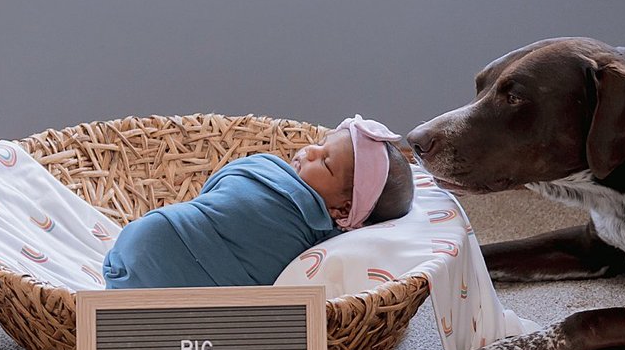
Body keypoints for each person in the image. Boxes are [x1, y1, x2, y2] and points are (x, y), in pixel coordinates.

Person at [102, 119, 417, 289]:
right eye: (320, 145)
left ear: (342, 210)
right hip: (165, 238)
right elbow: (217, 193)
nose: (308, 152)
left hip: (154, 239)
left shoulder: (321, 237)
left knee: (156, 239)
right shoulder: (272, 174)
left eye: (325, 162)